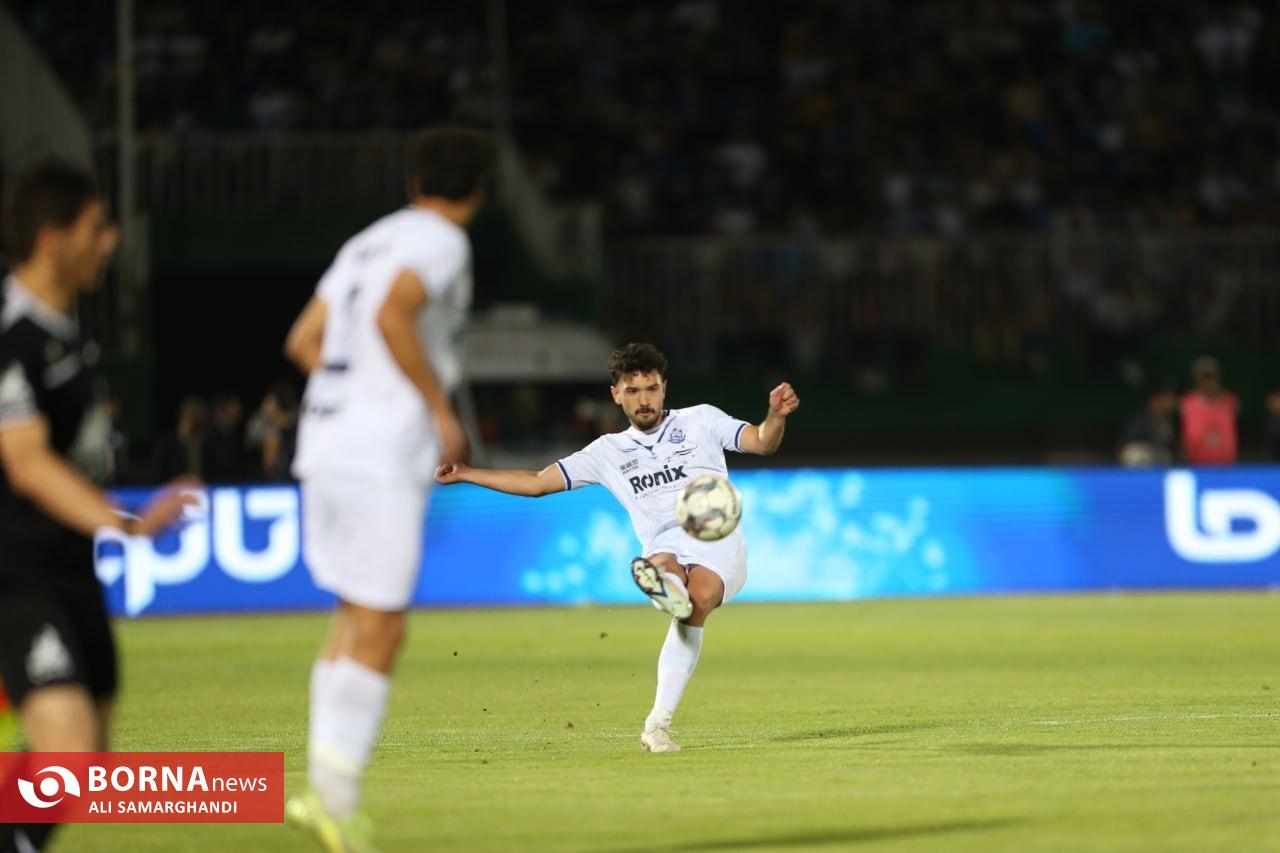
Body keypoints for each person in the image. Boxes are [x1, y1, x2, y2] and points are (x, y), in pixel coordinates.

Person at [282, 126, 494, 851]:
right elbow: (392, 312)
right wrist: (436, 408)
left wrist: (352, 400)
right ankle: (336, 801)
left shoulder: (366, 241)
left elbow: (303, 341)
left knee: (354, 616)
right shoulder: (443, 240)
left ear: (413, 182)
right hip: (378, 455)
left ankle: (322, 792)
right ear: (479, 190)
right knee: (383, 623)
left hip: (322, 442)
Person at [435, 342, 799, 752]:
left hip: (717, 539)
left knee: (700, 596)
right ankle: (657, 720)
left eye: (651, 389)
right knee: (667, 570)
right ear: (616, 394)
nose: (644, 400)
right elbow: (537, 483)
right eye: (633, 390)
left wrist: (775, 416)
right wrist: (467, 473)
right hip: (665, 544)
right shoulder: (607, 451)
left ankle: (668, 595)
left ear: (664, 388)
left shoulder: (701, 420)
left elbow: (761, 442)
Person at [0, 162, 193, 853]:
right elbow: (26, 462)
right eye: (96, 228)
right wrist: (123, 522)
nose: (109, 242)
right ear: (53, 239)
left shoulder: (66, 334)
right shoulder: (11, 335)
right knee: (69, 747)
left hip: (69, 567)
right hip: (15, 571)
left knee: (87, 758)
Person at [1179, 356, 1238, 465]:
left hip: (1226, 466)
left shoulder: (1230, 401)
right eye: (1205, 378)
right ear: (1197, 380)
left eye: (1212, 377)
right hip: (1196, 465)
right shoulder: (1187, 402)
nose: (1209, 382)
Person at [1118, 381, 1177, 466]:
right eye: (1167, 399)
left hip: (1161, 459)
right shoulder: (1141, 419)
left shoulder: (1171, 420)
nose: (1171, 403)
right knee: (1136, 453)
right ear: (1157, 400)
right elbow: (1124, 444)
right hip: (1143, 461)